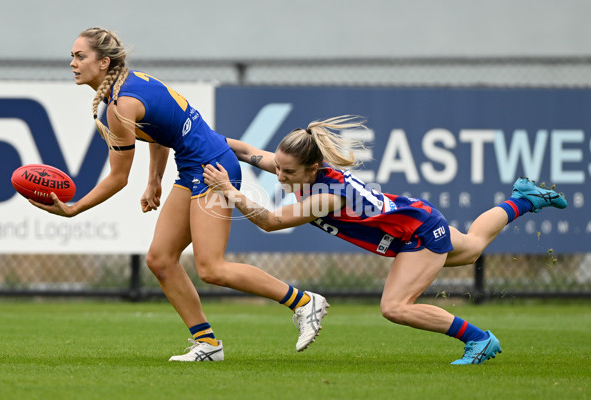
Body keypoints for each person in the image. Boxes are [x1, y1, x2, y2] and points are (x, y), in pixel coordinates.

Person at [30, 27, 329, 361]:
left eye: (79, 56)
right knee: (160, 259)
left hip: (211, 168)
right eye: (72, 55)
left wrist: (73, 209)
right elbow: (159, 132)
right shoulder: (130, 84)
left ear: (103, 62)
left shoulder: (119, 105)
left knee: (211, 268)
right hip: (193, 167)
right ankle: (208, 344)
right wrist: (154, 180)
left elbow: (117, 178)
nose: (72, 62)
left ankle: (304, 302)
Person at [203, 115, 568, 365]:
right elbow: (245, 150)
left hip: (417, 235)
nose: (280, 176)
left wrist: (227, 191)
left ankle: (478, 339)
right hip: (415, 218)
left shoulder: (328, 195)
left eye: (288, 172)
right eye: (278, 167)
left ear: (313, 169)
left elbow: (270, 221)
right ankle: (525, 198)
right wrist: (199, 138)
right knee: (472, 247)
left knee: (395, 307)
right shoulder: (295, 166)